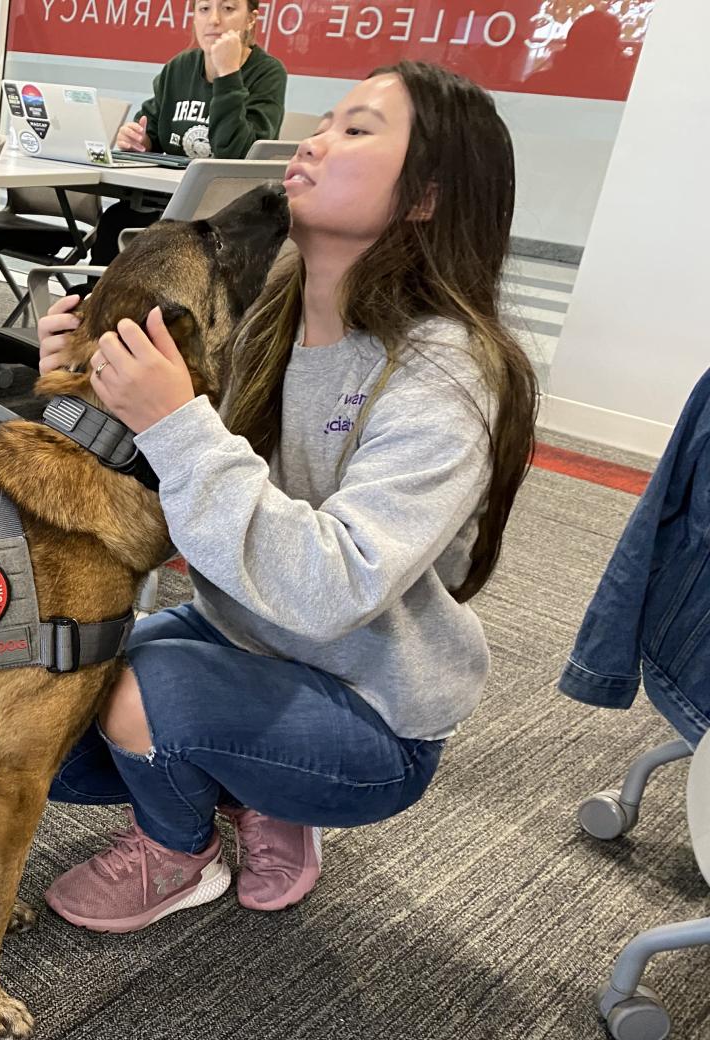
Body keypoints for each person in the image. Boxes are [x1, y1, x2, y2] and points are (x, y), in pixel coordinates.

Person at [36, 62, 539, 933]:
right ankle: (253, 783)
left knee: (135, 692)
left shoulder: (446, 374)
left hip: (374, 707)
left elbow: (331, 584)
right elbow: (182, 489)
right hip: (246, 632)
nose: (314, 138)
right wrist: (89, 391)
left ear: (424, 196)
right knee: (50, 675)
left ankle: (180, 858)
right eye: (327, 119)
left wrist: (174, 421)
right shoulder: (270, 312)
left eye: (356, 129)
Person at [90, 0, 287, 264]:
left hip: (222, 216)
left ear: (251, 19)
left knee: (144, 235)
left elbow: (237, 156)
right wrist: (139, 139)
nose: (214, 19)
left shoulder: (267, 72)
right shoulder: (179, 67)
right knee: (116, 220)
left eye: (228, 9)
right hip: (165, 202)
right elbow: (153, 129)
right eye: (204, 9)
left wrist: (227, 74)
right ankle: (93, 300)